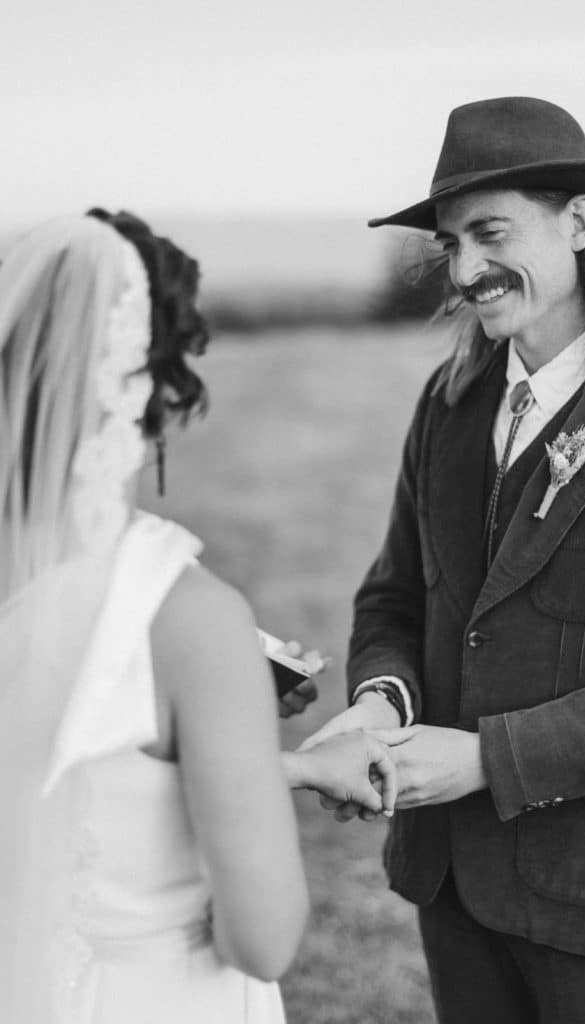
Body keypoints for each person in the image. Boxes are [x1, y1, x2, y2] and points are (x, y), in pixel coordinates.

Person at [304, 97, 585, 1024]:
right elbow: (394, 599)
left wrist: (485, 760)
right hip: (448, 881)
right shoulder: (450, 398)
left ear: (580, 224)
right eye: (449, 243)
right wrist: (376, 704)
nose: (466, 269)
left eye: (490, 233)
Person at [0, 211, 395, 1024]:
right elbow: (263, 938)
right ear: (153, 389)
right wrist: (229, 721)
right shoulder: (187, 621)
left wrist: (249, 750)